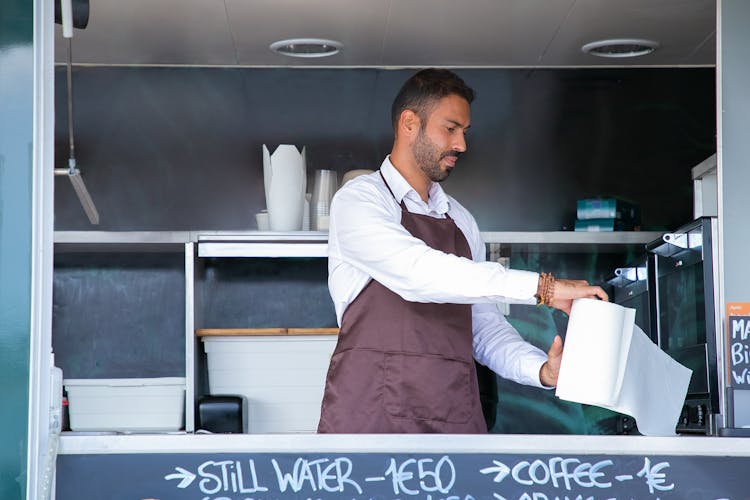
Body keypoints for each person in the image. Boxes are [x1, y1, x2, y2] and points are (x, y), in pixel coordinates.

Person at [317, 68, 607, 434]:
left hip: (451, 420)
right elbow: (417, 273)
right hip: (370, 423)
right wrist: (544, 288)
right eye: (450, 128)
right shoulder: (359, 201)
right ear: (409, 123)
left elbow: (483, 330)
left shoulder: (462, 221)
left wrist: (542, 370)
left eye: (464, 132)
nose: (461, 145)